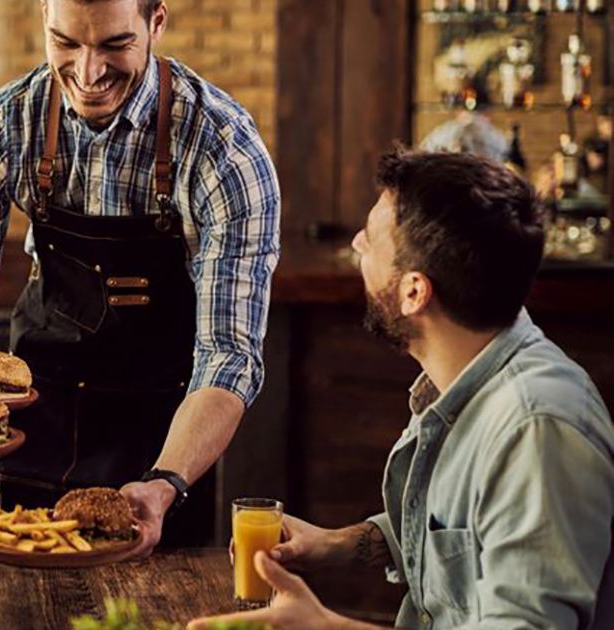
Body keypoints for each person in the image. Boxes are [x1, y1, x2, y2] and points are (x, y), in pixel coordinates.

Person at [191, 149, 614, 629]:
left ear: (414, 291)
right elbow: (457, 530)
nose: (356, 244)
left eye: (370, 240)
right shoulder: (463, 376)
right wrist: (333, 544)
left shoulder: (537, 432)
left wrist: (329, 627)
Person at [0, 0, 280, 553]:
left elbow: (228, 356)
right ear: (43, 16)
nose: (88, 73)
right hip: (22, 434)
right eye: (66, 43)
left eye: (114, 45)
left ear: (156, 22)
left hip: (159, 447)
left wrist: (167, 483)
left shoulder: (223, 151)